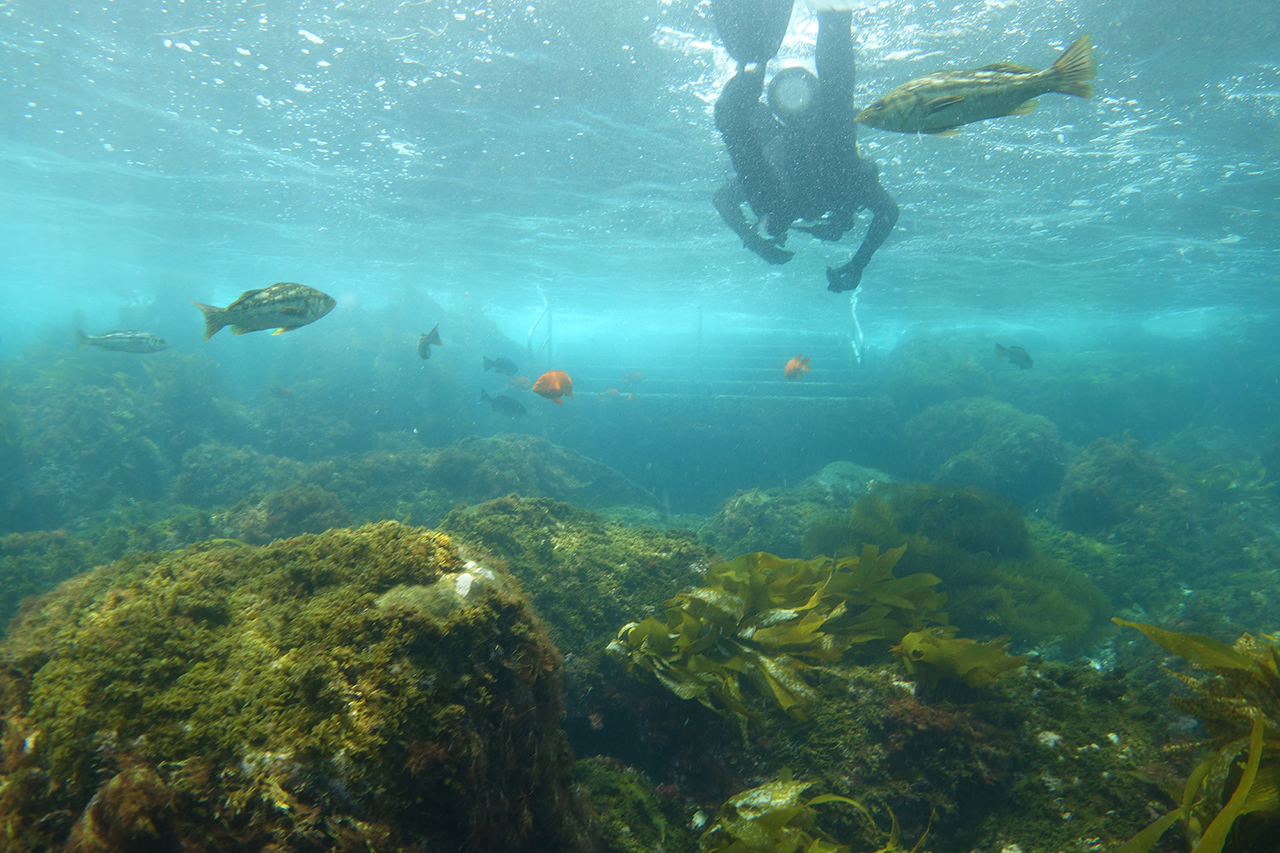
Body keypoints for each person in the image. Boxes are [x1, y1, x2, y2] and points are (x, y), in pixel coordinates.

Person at [711, 0, 899, 293]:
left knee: (837, 106)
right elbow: (888, 212)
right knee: (836, 116)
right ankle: (746, 86)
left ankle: (832, 20)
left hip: (811, 157)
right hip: (825, 161)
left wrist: (755, 241)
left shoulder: (828, 187)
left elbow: (888, 212)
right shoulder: (847, 185)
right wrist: (857, 264)